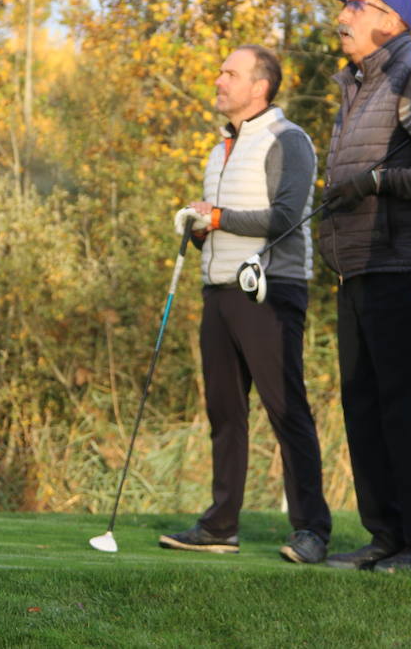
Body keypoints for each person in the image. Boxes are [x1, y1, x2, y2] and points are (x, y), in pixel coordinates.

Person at [160, 45, 333, 564]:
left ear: (260, 87)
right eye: (220, 71)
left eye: (229, 73)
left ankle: (312, 530)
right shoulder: (221, 149)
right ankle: (220, 525)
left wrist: (216, 218)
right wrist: (197, 226)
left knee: (287, 411)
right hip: (218, 291)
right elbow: (222, 222)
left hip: (271, 291)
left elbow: (286, 218)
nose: (219, 80)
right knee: (225, 413)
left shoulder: (289, 139)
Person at [316, 0, 411, 574]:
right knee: (363, 406)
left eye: (357, 5)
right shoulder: (353, 83)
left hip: (399, 266)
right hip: (355, 268)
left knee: (401, 408)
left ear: (392, 21)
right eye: (345, 4)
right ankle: (386, 535)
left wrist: (376, 182)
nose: (343, 14)